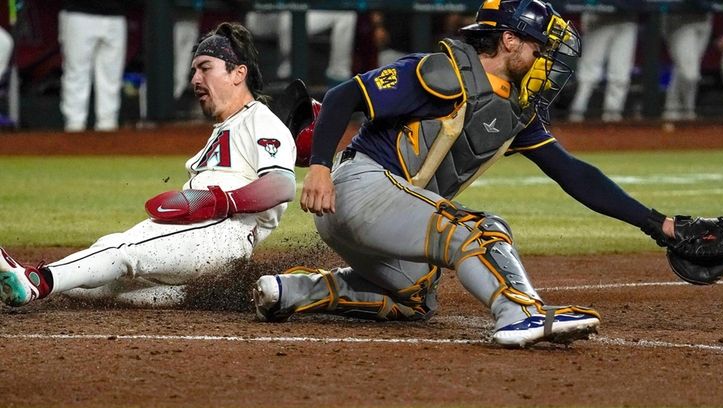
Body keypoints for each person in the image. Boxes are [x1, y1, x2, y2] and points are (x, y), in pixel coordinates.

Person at [251, 0, 680, 348]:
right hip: (361, 189)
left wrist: (660, 225)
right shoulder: (443, 72)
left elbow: (573, 174)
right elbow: (346, 95)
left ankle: (296, 291)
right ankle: (520, 314)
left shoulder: (515, 111)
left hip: (366, 213)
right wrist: (320, 167)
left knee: (417, 297)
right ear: (509, 40)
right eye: (540, 50)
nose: (546, 63)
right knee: (483, 231)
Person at [0, 22, 297, 308]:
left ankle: (35, 282)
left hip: (222, 229)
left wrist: (220, 200)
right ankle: (191, 294)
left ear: (238, 73)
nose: (195, 79)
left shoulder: (258, 118)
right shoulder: (224, 129)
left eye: (205, 68)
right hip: (201, 235)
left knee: (120, 251)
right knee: (104, 285)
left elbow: (281, 185)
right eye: (193, 70)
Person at [58, 0, 131, 132]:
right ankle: (74, 126)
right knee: (76, 73)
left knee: (112, 77)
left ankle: (108, 124)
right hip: (79, 12)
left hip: (115, 14)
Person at [568, 10, 639, 123]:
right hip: (598, 16)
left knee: (620, 76)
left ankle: (612, 120)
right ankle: (575, 117)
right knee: (588, 76)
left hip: (627, 18)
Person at [276, 10, 357, 85]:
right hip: (273, 14)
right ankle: (287, 71)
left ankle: (338, 75)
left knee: (347, 14)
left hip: (308, 10)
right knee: (287, 16)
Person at [661, 11, 713, 121]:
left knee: (683, 67)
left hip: (704, 20)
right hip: (678, 21)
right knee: (689, 73)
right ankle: (687, 111)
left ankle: (672, 110)